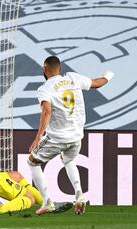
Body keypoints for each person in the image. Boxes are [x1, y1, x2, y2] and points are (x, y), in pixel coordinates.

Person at [28, 56, 114, 215]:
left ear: (44, 70)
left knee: (32, 162)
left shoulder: (45, 88)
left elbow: (46, 111)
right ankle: (79, 194)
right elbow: (97, 83)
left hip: (57, 137)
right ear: (60, 69)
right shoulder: (73, 78)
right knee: (68, 160)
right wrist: (110, 74)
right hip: (76, 136)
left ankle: (47, 202)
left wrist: (38, 137)